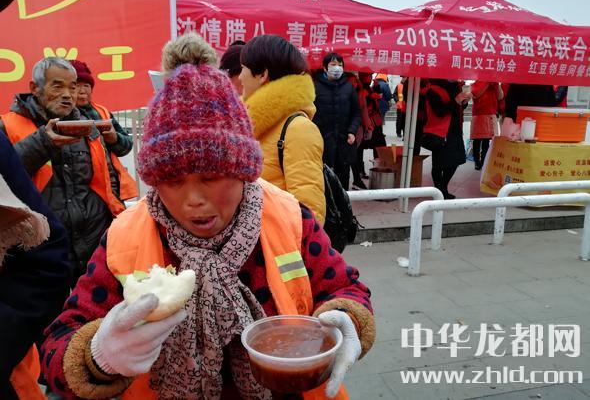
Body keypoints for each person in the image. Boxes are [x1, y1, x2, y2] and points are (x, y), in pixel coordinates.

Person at [40, 60, 375, 399]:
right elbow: (57, 344)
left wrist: (346, 317)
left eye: (211, 177)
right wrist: (99, 355)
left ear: (243, 170)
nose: (193, 201)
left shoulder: (288, 217)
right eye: (172, 181)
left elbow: (343, 286)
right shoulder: (125, 237)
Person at [0, 57, 127, 285]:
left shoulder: (87, 126)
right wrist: (42, 143)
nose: (68, 94)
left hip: (93, 241)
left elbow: (107, 178)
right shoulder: (7, 126)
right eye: (57, 86)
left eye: (73, 86)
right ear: (35, 88)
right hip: (39, 247)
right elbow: (5, 180)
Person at [0, 132, 70, 400]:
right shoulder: (13, 124)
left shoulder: (93, 120)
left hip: (73, 233)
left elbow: (45, 261)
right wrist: (42, 143)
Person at [240, 34, 326, 224]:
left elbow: (310, 215)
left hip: (276, 240)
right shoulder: (248, 124)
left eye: (243, 68)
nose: (240, 77)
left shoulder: (298, 130)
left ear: (262, 75)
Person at [70, 59, 139, 198]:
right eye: (77, 85)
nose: (82, 91)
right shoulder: (62, 115)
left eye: (86, 85)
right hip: (78, 190)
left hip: (110, 188)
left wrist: (115, 139)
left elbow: (127, 145)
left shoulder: (102, 112)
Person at [313, 53, 361, 190]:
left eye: (340, 65)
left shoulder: (349, 88)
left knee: (343, 177)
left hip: (344, 141)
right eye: (333, 65)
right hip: (322, 141)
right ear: (324, 68)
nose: (337, 68)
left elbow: (357, 113)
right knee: (322, 177)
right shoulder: (315, 87)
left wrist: (352, 131)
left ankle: (343, 202)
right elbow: (308, 113)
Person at [422, 79, 472, 199]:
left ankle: (442, 188)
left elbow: (456, 109)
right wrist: (456, 101)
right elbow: (439, 111)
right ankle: (440, 191)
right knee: (438, 164)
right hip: (439, 131)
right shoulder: (433, 90)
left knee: (456, 161)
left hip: (455, 130)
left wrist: (463, 102)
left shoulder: (455, 88)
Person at [346, 72, 373, 189]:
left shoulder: (360, 94)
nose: (353, 84)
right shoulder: (341, 93)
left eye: (355, 81)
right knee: (351, 155)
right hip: (344, 129)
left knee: (353, 154)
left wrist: (368, 126)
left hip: (357, 130)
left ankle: (357, 179)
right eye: (350, 81)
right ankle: (356, 179)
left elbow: (364, 111)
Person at [470, 81, 503, 170]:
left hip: (490, 114)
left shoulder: (494, 84)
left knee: (486, 141)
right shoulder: (476, 83)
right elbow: (476, 94)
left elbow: (500, 97)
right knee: (477, 141)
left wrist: (497, 85)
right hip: (478, 116)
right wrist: (487, 82)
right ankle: (477, 162)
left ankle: (483, 161)